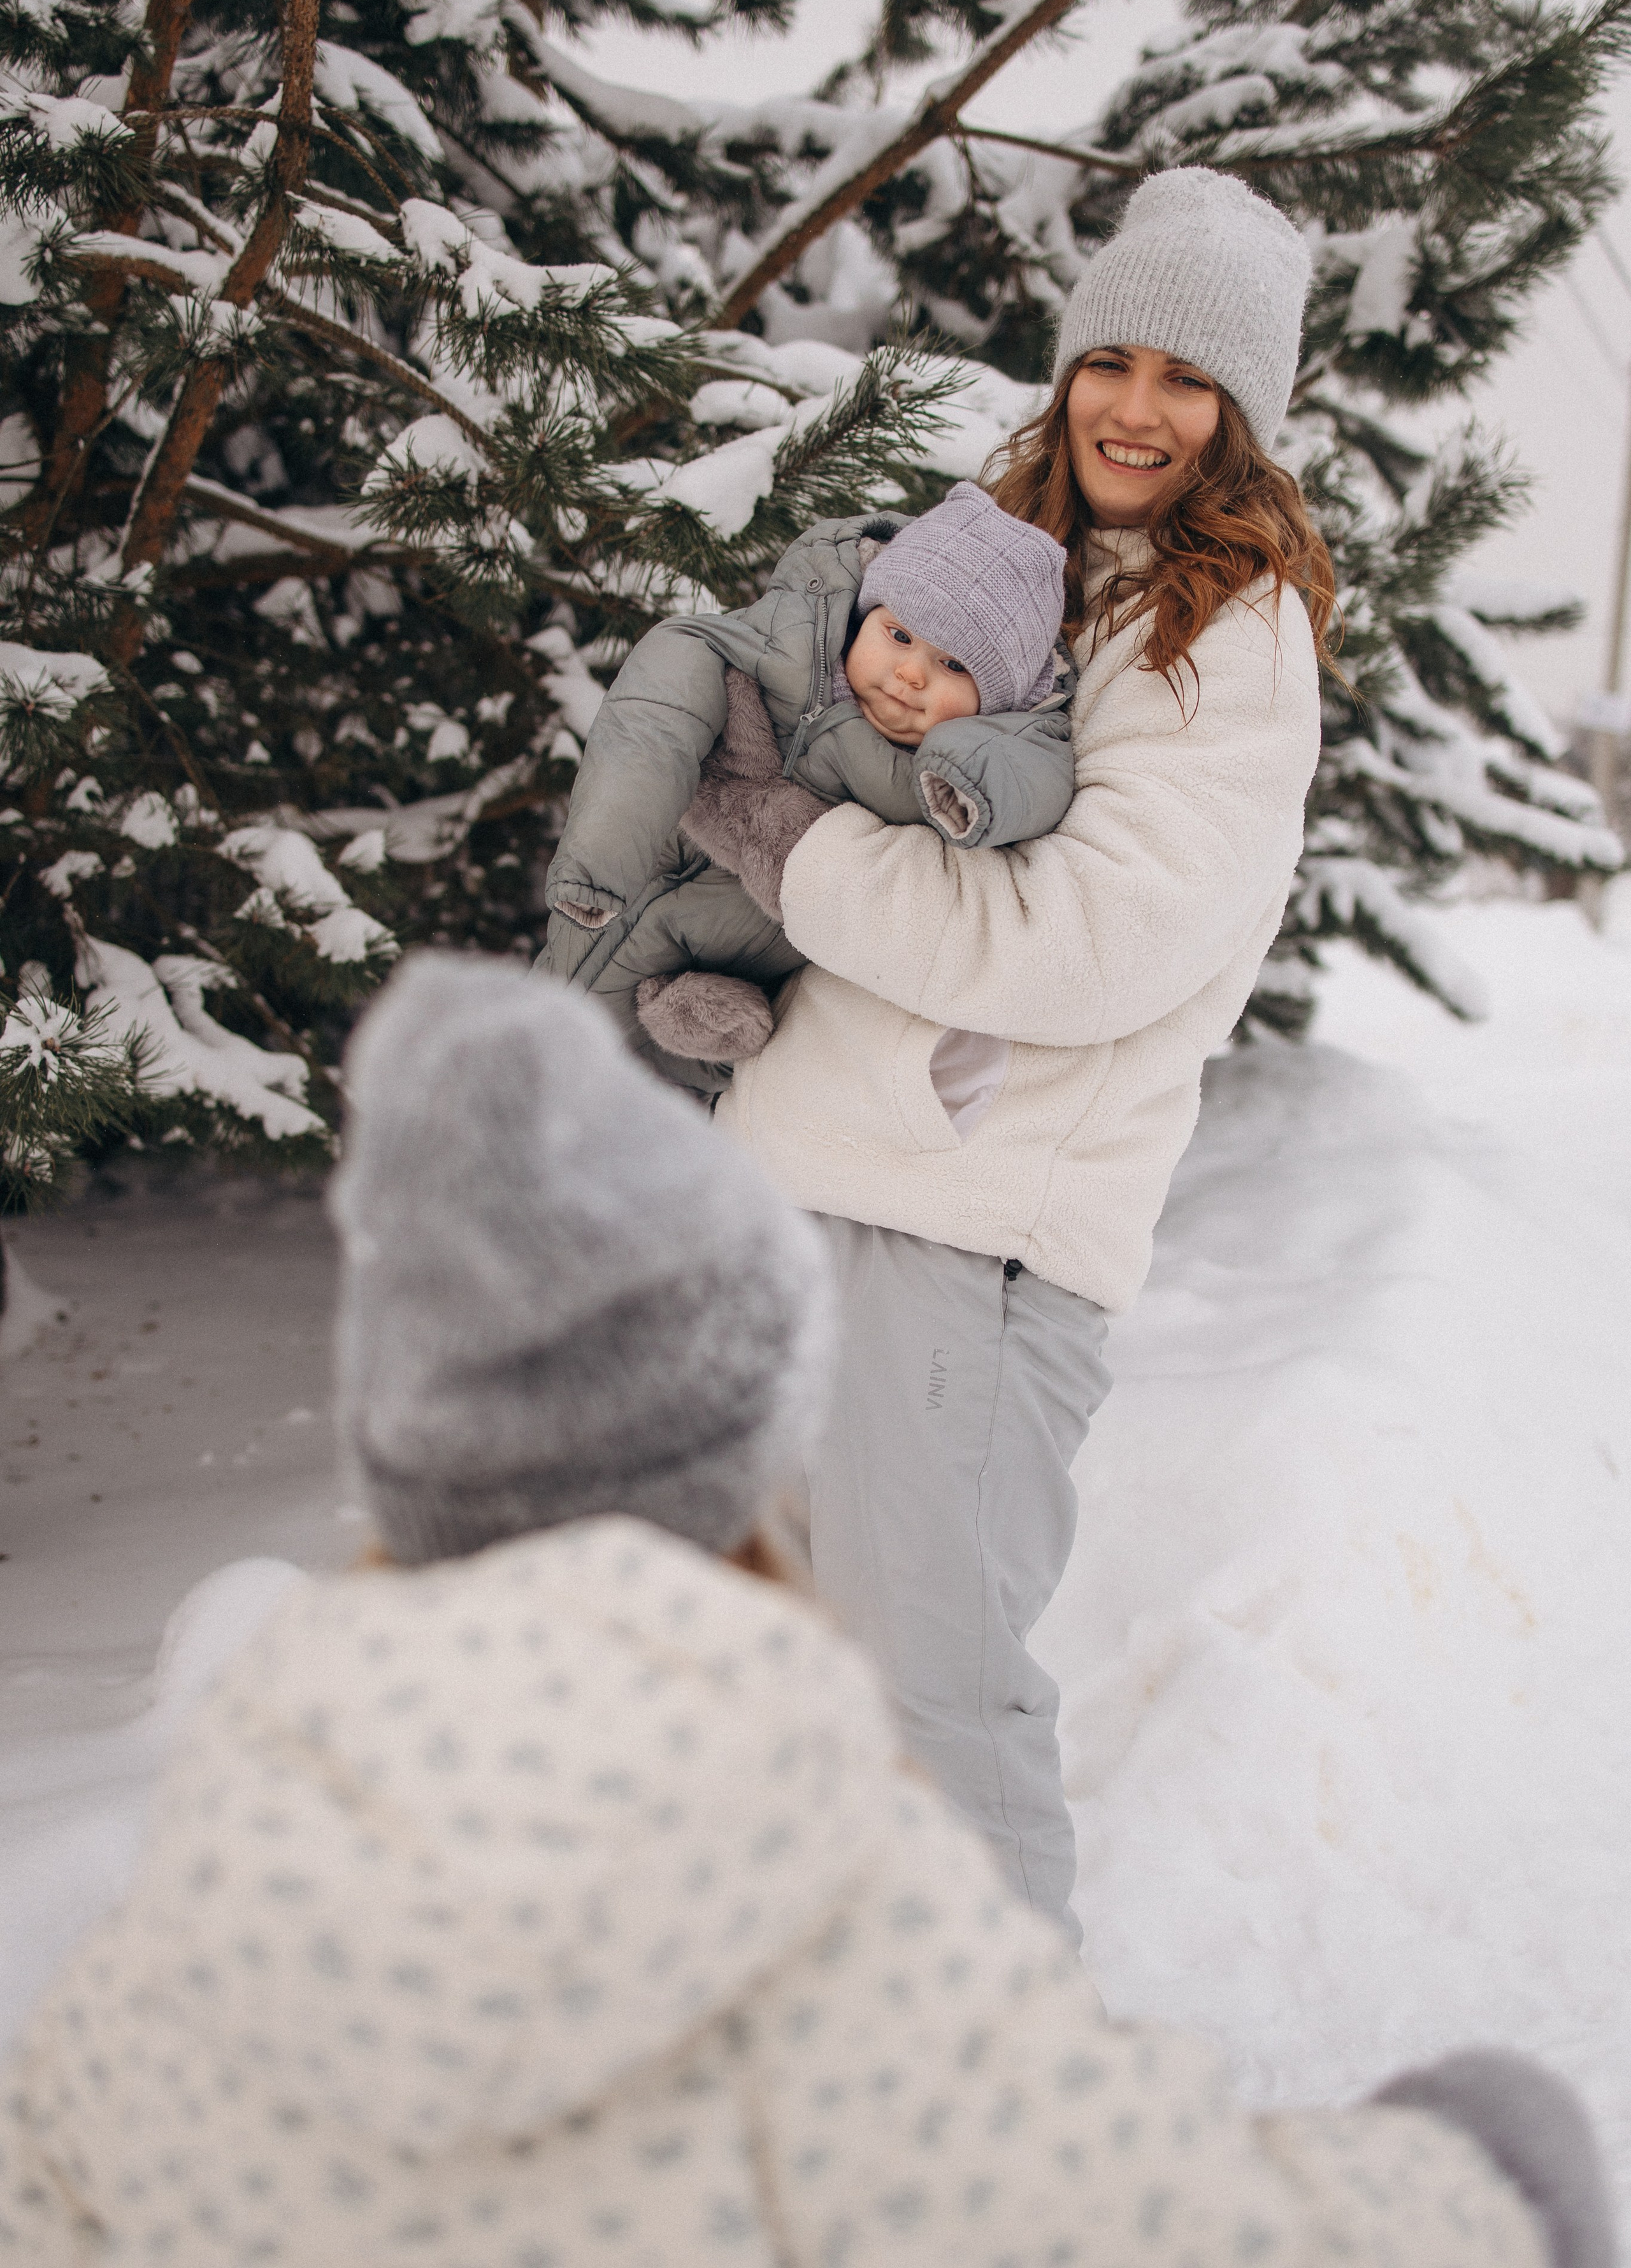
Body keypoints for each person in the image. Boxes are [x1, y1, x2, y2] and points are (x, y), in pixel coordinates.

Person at [0, 953, 1609, 2268]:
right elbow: (1134, 2212)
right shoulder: (807, 1888)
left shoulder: (209, 1885)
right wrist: (1476, 2176)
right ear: (742, 1461)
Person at [682, 166, 1334, 1944]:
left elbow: (1090, 945)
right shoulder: (1016, 567)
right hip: (805, 1184)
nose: (1137, 408)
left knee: (931, 1710)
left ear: (1246, 414)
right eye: (1110, 358)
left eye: (1187, 380)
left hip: (968, 1239)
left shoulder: (1226, 631)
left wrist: (795, 854)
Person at [540, 479, 1075, 1084]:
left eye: (954, 665)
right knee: (540, 1052)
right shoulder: (780, 655)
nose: (909, 673)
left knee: (627, 1110)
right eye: (898, 635)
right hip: (607, 905)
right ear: (863, 617)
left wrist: (968, 770)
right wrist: (601, 862)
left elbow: (1035, 779)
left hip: (709, 998)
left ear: (996, 701)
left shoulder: (944, 780)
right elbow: (658, 709)